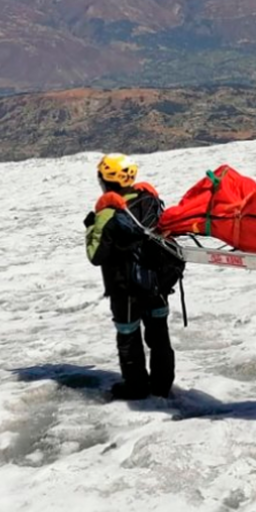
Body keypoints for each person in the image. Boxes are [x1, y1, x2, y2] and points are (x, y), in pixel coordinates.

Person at [84, 153, 177, 400]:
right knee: (159, 337)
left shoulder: (107, 213)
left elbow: (96, 255)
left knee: (129, 338)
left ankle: (136, 388)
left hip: (125, 289)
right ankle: (162, 386)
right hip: (157, 284)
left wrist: (91, 227)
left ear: (105, 179)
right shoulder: (150, 201)